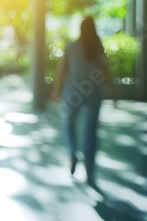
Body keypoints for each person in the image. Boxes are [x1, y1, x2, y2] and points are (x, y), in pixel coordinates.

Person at [51, 16, 116, 188]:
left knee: (69, 125)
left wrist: (56, 90)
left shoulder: (71, 47)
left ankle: (73, 152)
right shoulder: (98, 48)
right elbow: (105, 71)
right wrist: (112, 90)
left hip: (73, 93)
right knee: (91, 132)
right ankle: (90, 171)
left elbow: (62, 71)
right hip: (93, 94)